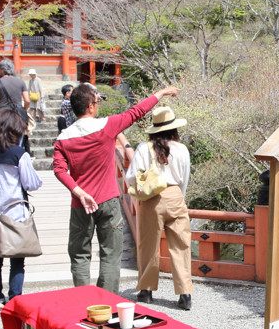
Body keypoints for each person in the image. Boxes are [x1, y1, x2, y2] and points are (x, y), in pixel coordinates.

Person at [53, 82, 180, 293]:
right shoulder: (107, 126)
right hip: (109, 201)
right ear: (91, 106)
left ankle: (82, 301)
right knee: (110, 255)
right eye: (96, 101)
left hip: (80, 205)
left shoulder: (63, 139)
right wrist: (161, 92)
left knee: (80, 256)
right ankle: (106, 302)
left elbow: (59, 170)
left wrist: (80, 192)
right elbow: (137, 111)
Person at [126, 106, 193, 310]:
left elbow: (131, 176)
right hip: (175, 196)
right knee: (181, 245)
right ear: (174, 129)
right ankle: (185, 294)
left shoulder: (144, 148)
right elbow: (185, 179)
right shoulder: (182, 149)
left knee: (148, 245)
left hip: (152, 199)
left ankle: (146, 290)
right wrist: (178, 197)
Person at [0, 109, 43, 316]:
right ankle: (15, 299)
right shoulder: (18, 154)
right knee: (17, 259)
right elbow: (32, 184)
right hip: (15, 215)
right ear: (16, 131)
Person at [0, 59, 31, 152]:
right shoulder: (21, 82)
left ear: (2, 69)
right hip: (17, 115)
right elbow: (27, 100)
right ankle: (17, 155)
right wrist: (23, 110)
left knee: (3, 139)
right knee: (18, 138)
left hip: (3, 115)